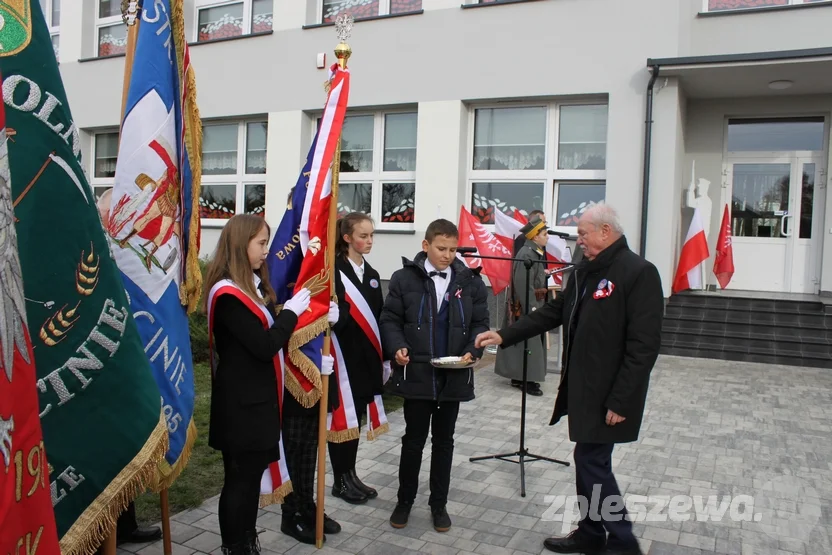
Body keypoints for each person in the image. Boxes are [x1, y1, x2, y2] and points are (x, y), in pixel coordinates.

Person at [475, 204, 664, 555]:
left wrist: (621, 400)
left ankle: (624, 544)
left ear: (605, 232)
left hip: (610, 394)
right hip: (582, 391)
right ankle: (591, 535)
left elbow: (644, 347)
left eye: (583, 234)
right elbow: (552, 313)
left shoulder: (638, 273)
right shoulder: (582, 271)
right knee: (588, 460)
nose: (579, 240)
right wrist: (504, 335)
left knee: (592, 462)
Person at [203, 214, 322, 555]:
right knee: (239, 483)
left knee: (251, 481)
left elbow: (271, 335)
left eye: (267, 242)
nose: (266, 251)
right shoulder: (228, 294)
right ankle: (235, 547)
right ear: (241, 246)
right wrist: (292, 313)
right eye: (260, 243)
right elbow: (265, 344)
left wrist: (298, 314)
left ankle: (247, 541)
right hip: (241, 406)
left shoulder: (251, 286)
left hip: (259, 402)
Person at [380, 219, 490, 533]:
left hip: (452, 376)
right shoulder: (403, 279)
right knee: (413, 442)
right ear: (426, 246)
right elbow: (389, 319)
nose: (447, 255)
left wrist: (474, 350)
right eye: (441, 248)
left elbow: (481, 323)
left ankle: (438, 504)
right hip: (418, 374)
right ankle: (404, 500)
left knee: (444, 443)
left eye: (453, 249)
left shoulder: (470, 282)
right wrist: (397, 346)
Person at [328, 212, 389, 504]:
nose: (369, 241)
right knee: (343, 420)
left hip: (365, 360)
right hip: (342, 358)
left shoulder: (374, 276)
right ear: (347, 237)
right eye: (363, 236)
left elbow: (378, 318)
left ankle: (350, 474)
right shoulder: (333, 271)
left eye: (371, 235)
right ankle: (340, 480)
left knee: (357, 417)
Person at [494, 216, 549, 396]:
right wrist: (532, 310)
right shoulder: (527, 254)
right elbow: (523, 284)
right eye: (544, 233)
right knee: (528, 345)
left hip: (532, 304)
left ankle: (520, 376)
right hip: (527, 306)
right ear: (535, 237)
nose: (547, 236)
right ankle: (528, 379)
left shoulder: (534, 252)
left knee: (524, 344)